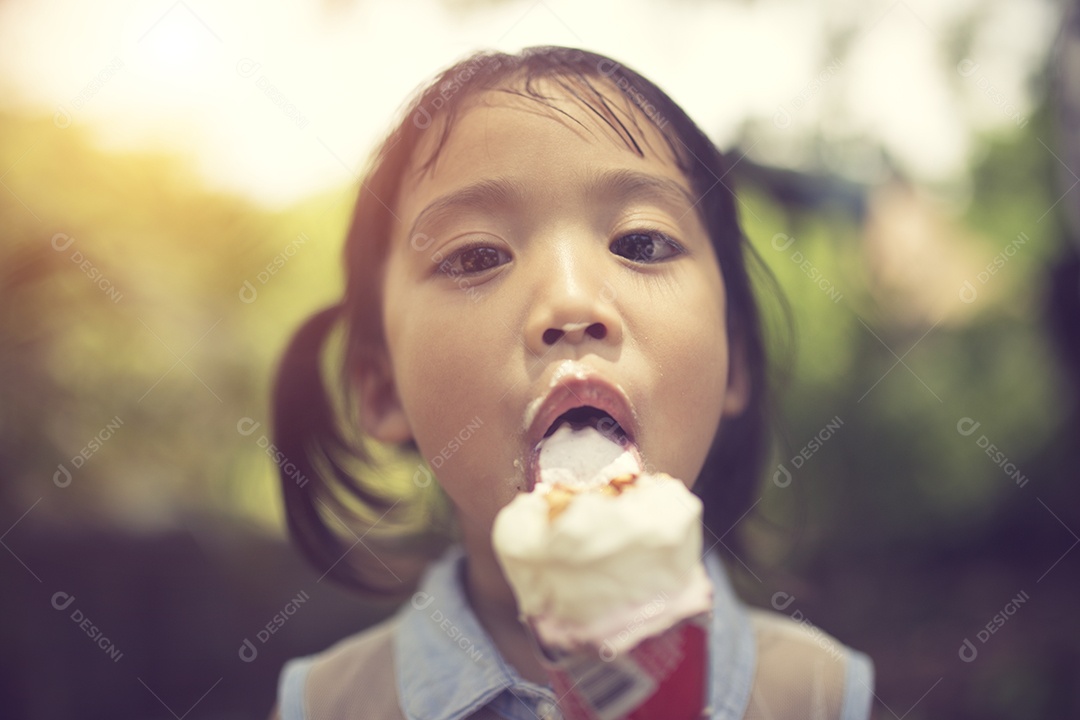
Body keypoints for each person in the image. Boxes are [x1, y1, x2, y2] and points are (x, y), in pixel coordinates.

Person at [268, 45, 874, 720]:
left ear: (733, 357)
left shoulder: (819, 696)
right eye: (476, 255)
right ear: (381, 390)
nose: (571, 302)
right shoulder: (329, 705)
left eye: (641, 242)